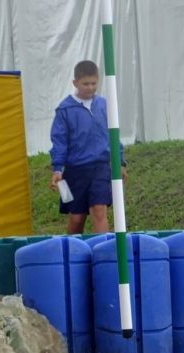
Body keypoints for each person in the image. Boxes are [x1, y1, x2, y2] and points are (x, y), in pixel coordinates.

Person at [49, 60, 126, 235]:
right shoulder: (64, 110)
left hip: (100, 167)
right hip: (76, 169)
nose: (90, 88)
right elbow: (59, 141)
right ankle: (74, 252)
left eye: (93, 83)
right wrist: (57, 169)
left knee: (99, 210)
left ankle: (103, 254)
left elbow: (114, 134)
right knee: (77, 218)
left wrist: (120, 161)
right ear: (75, 83)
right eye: (85, 84)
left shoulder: (105, 105)